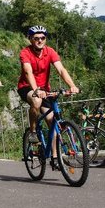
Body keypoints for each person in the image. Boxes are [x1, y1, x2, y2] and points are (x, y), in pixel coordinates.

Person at [17, 25, 79, 168]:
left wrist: (72, 85)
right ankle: (32, 131)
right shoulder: (25, 52)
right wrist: (36, 89)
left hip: (46, 89)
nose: (40, 41)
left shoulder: (49, 51)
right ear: (31, 39)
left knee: (53, 122)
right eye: (36, 38)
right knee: (36, 101)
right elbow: (28, 72)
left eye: (43, 38)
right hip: (27, 87)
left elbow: (61, 69)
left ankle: (55, 158)